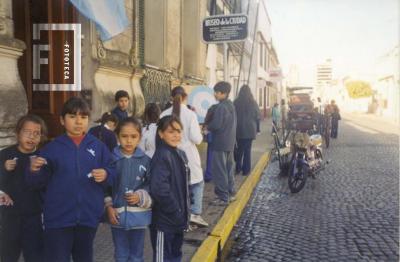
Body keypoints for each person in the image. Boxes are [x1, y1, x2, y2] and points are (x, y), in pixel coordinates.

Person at [26, 97, 116, 262]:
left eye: (83, 117)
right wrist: (33, 170)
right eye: (72, 117)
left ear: (89, 120)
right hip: (58, 219)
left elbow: (112, 173)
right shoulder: (51, 149)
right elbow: (36, 184)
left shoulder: (98, 147)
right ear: (62, 120)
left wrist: (106, 174)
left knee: (84, 257)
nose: (78, 122)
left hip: (88, 217)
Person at [0, 114, 47, 262]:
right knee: (8, 255)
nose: (31, 137)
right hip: (9, 216)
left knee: (34, 256)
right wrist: (4, 169)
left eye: (36, 133)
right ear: (18, 133)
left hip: (34, 216)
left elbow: (45, 185)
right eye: (27, 132)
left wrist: (36, 171)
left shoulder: (43, 157)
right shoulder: (5, 154)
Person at [105, 117, 152, 262]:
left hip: (139, 218)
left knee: (137, 255)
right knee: (121, 254)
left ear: (140, 137)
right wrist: (109, 207)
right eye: (124, 136)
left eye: (133, 136)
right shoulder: (110, 159)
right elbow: (105, 187)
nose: (129, 140)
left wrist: (141, 196)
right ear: (117, 136)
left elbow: (151, 185)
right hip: (117, 217)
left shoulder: (146, 160)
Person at [160, 86, 208, 227]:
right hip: (188, 155)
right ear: (185, 97)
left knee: (176, 184)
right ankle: (194, 213)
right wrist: (200, 132)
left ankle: (179, 214)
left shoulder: (163, 114)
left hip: (168, 153)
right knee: (196, 183)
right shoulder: (190, 114)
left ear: (171, 97)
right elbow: (197, 139)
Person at [149, 115, 190, 262]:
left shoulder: (180, 154)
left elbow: (184, 186)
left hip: (178, 220)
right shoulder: (162, 156)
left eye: (178, 131)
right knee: (164, 258)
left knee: (176, 255)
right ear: (161, 134)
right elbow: (159, 190)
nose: (176, 135)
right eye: (171, 131)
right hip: (164, 222)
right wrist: (176, 210)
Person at [207, 81, 237, 205]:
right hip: (230, 142)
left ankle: (223, 197)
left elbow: (216, 125)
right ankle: (230, 193)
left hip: (220, 143)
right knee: (229, 169)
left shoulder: (221, 107)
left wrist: (207, 126)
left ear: (222, 93)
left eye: (216, 92)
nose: (214, 94)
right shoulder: (231, 105)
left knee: (220, 171)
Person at [233, 85, 260, 176]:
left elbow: (232, 116)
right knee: (247, 151)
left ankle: (238, 168)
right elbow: (257, 116)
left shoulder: (236, 102)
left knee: (239, 149)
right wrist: (258, 129)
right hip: (250, 130)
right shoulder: (253, 102)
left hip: (238, 130)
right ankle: (246, 170)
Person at [202, 104, 218, 182]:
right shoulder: (218, 116)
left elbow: (205, 129)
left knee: (210, 156)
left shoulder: (209, 115)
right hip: (218, 138)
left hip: (210, 139)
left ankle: (208, 174)